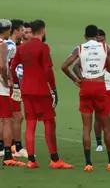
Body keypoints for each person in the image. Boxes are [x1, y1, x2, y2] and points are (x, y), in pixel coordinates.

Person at [61, 25, 110, 172]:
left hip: (85, 86)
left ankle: (88, 164)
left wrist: (76, 79)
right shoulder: (105, 48)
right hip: (99, 86)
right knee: (107, 126)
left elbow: (64, 66)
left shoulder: (79, 48)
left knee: (86, 127)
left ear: (85, 36)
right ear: (97, 35)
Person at [11, 19, 72, 169]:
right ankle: (55, 159)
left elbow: (13, 68)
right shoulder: (43, 47)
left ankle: (31, 160)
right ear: (43, 30)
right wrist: (53, 88)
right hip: (41, 91)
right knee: (49, 123)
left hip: (26, 90)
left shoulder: (22, 48)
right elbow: (47, 70)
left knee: (30, 124)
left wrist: (17, 86)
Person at [73, 29, 110, 153]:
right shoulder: (92, 52)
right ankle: (99, 143)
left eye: (102, 39)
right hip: (98, 86)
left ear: (105, 38)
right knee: (98, 116)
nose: (100, 41)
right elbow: (76, 65)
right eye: (98, 40)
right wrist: (82, 79)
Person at [7, 19, 28, 158]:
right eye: (22, 30)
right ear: (15, 31)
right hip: (11, 86)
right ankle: (17, 147)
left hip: (12, 85)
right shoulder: (11, 46)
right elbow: (6, 66)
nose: (24, 33)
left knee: (10, 116)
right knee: (16, 116)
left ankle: (8, 144)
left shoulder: (12, 45)